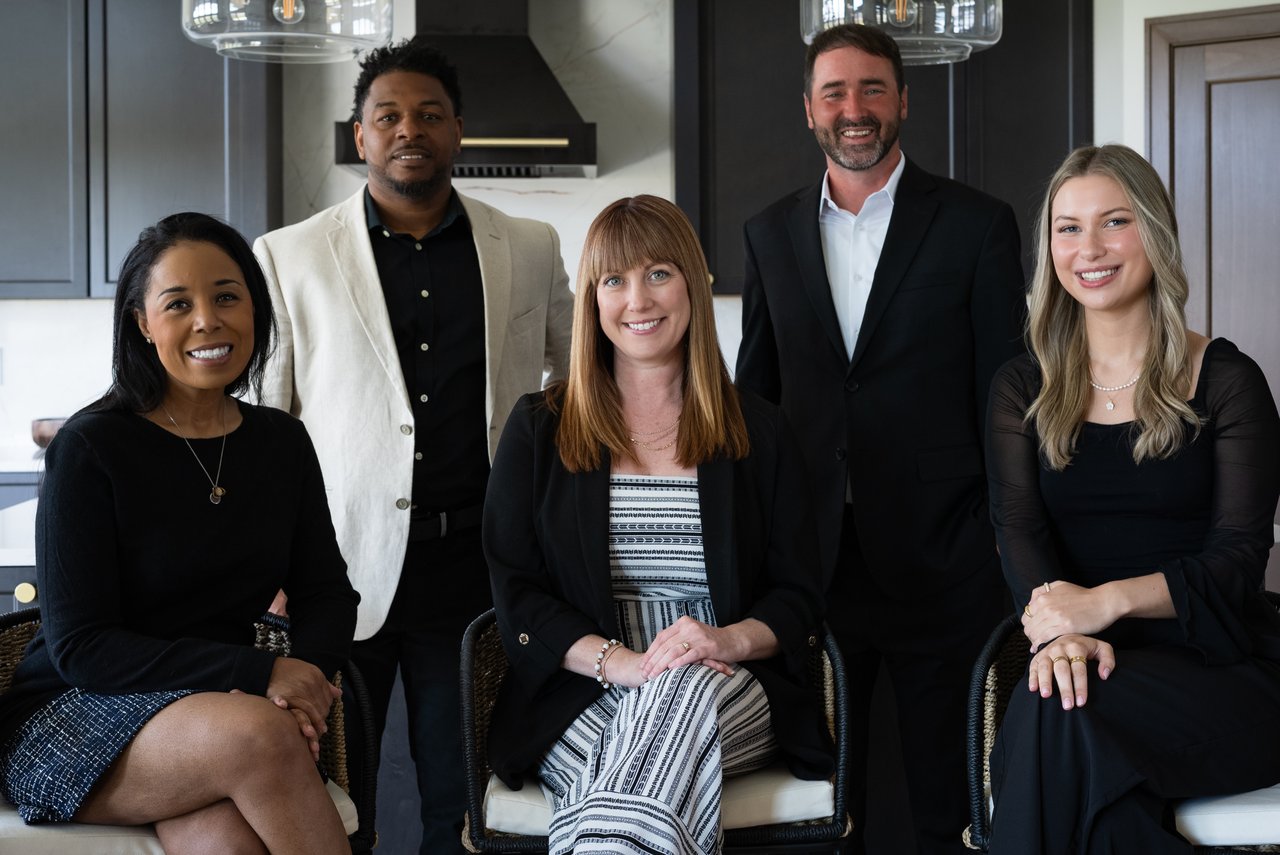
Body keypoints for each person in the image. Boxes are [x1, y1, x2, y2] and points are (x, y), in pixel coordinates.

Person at [252, 35, 573, 853]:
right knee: (331, 797)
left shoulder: (529, 246)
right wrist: (269, 567)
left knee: (460, 799)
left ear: (458, 130)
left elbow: (580, 385)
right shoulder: (288, 255)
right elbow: (266, 428)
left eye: (429, 114)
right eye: (388, 115)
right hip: (332, 574)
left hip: (475, 568)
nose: (409, 129)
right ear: (359, 134)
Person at [734, 22, 1027, 854]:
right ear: (808, 109)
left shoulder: (977, 224)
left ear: (903, 100)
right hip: (814, 560)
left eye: (871, 89)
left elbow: (1006, 394)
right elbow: (757, 399)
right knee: (829, 793)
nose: (853, 108)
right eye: (834, 92)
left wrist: (1000, 533)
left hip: (946, 558)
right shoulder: (768, 232)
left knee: (946, 791)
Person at [482, 195, 833, 855]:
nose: (637, 299)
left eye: (659, 274)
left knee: (679, 695)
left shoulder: (758, 430)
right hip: (581, 688)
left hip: (723, 683)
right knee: (644, 770)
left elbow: (797, 593)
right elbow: (517, 592)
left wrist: (723, 640)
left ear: (692, 283)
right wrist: (625, 665)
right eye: (614, 279)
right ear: (593, 299)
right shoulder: (538, 429)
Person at [0, 212, 359, 854]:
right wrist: (260, 674)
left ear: (255, 308)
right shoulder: (90, 447)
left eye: (227, 297)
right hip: (76, 710)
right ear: (143, 323)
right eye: (178, 304)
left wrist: (303, 677)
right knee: (260, 737)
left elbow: (327, 592)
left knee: (228, 842)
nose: (207, 321)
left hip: (214, 708)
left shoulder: (281, 442)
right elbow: (83, 646)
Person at [984, 143, 1280, 853]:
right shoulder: (1022, 388)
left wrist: (1103, 603)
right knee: (1069, 726)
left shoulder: (1228, 380)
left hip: (1222, 670)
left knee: (1054, 719)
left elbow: (1238, 561)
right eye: (1068, 228)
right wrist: (1063, 634)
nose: (1089, 248)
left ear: (1154, 232)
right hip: (1084, 661)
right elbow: (1017, 529)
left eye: (1114, 222)